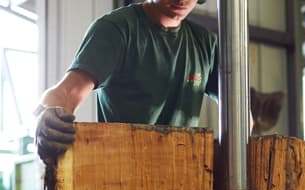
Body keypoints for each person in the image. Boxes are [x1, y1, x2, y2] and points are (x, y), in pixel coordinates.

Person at [35, 0, 216, 161]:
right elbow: (67, 92)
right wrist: (46, 116)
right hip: (120, 174)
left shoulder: (205, 42)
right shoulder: (116, 29)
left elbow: (237, 105)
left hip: (184, 174)